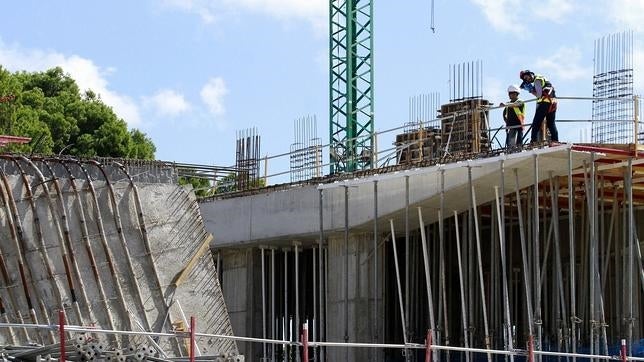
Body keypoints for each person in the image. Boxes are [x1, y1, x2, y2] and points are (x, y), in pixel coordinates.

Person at [519, 70, 559, 143]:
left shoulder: (537, 80)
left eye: (527, 77)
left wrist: (530, 90)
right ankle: (555, 141)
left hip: (545, 103)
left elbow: (539, 95)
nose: (527, 79)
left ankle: (533, 141)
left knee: (536, 123)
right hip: (553, 103)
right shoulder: (541, 78)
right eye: (525, 79)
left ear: (530, 74)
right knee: (551, 123)